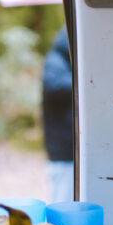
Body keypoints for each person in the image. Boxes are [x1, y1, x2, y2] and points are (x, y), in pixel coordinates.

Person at [41, 25, 74, 204]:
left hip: (67, 148)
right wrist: (84, 82)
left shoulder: (63, 61)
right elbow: (54, 86)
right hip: (62, 150)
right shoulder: (55, 61)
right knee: (62, 201)